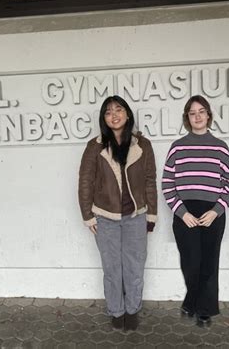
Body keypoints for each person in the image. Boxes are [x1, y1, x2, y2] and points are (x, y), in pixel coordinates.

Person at [78, 95, 157, 331]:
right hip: (105, 217)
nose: (114, 115)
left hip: (136, 216)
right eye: (108, 112)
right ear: (104, 118)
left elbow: (150, 181)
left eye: (119, 109)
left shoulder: (142, 145)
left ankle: (132, 310)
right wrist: (87, 215)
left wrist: (151, 215)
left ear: (128, 114)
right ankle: (116, 310)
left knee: (135, 267)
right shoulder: (95, 146)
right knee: (112, 269)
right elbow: (85, 182)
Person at [162, 95, 229, 327]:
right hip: (185, 213)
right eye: (192, 113)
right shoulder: (177, 147)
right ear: (187, 118)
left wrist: (216, 211)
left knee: (209, 263)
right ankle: (192, 301)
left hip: (213, 213)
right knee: (191, 262)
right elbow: (167, 183)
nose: (197, 116)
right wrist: (182, 212)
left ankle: (203, 310)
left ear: (209, 115)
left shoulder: (221, 148)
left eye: (201, 111)